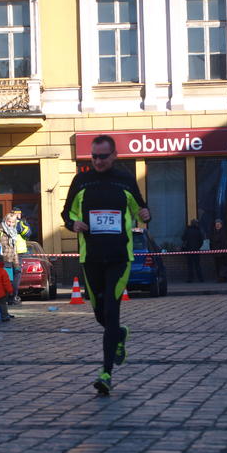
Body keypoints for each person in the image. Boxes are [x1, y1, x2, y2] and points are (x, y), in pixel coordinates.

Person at [62, 134, 150, 395]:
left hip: (119, 257)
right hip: (91, 257)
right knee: (100, 314)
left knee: (111, 311)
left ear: (114, 156)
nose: (98, 161)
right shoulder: (81, 181)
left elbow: (141, 210)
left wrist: (146, 215)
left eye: (103, 156)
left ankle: (106, 373)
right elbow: (67, 213)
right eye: (94, 156)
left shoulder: (125, 179)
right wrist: (73, 224)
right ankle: (119, 335)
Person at [9, 206, 32, 304]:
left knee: (9, 274)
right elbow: (28, 233)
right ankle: (13, 296)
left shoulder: (5, 222)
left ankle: (9, 296)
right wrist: (23, 225)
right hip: (18, 252)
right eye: (18, 213)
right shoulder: (20, 223)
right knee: (17, 274)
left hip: (8, 252)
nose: (19, 215)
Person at [209, 218, 227, 283]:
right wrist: (212, 250)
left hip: (223, 253)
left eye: (219, 224)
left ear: (221, 225)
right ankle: (220, 278)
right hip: (216, 253)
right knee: (217, 266)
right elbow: (211, 241)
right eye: (216, 224)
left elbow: (225, 242)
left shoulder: (224, 232)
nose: (217, 225)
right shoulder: (213, 232)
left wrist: (224, 251)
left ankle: (223, 278)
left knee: (223, 266)